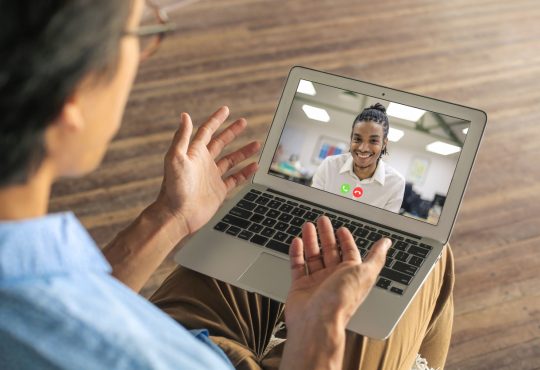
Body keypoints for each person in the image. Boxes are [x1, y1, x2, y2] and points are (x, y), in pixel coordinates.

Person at [0, 1, 454, 369]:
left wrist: (171, 216)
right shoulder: (142, 359)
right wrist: (322, 331)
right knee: (431, 261)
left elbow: (75, 306)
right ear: (73, 97)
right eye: (138, 33)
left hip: (180, 330)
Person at [312, 103, 406, 213]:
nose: (363, 148)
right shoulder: (329, 165)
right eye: (357, 139)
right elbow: (312, 207)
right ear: (351, 138)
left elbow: (385, 226)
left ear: (384, 143)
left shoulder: (395, 183)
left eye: (373, 141)